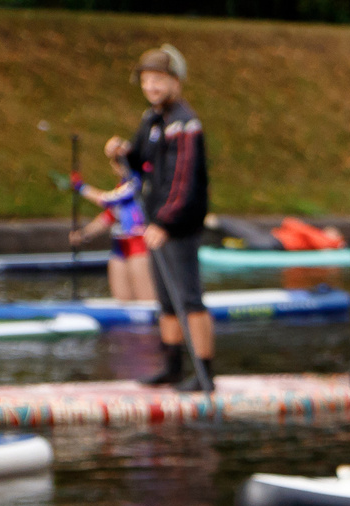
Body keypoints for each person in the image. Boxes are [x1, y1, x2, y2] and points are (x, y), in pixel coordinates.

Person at [130, 46, 216, 392]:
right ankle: (172, 367)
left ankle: (205, 373)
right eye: (146, 80)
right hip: (157, 226)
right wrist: (120, 153)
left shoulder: (185, 124)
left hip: (178, 225)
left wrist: (164, 222)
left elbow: (183, 180)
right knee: (166, 300)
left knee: (188, 297)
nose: (151, 86)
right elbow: (139, 163)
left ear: (175, 82)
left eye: (158, 80)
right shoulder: (151, 120)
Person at [71, 135, 154, 304]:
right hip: (119, 247)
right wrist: (83, 235)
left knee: (146, 301)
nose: (116, 165)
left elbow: (106, 200)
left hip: (139, 244)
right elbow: (109, 217)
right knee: (121, 301)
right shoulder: (122, 187)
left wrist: (81, 187)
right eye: (116, 161)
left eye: (118, 161)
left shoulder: (138, 183)